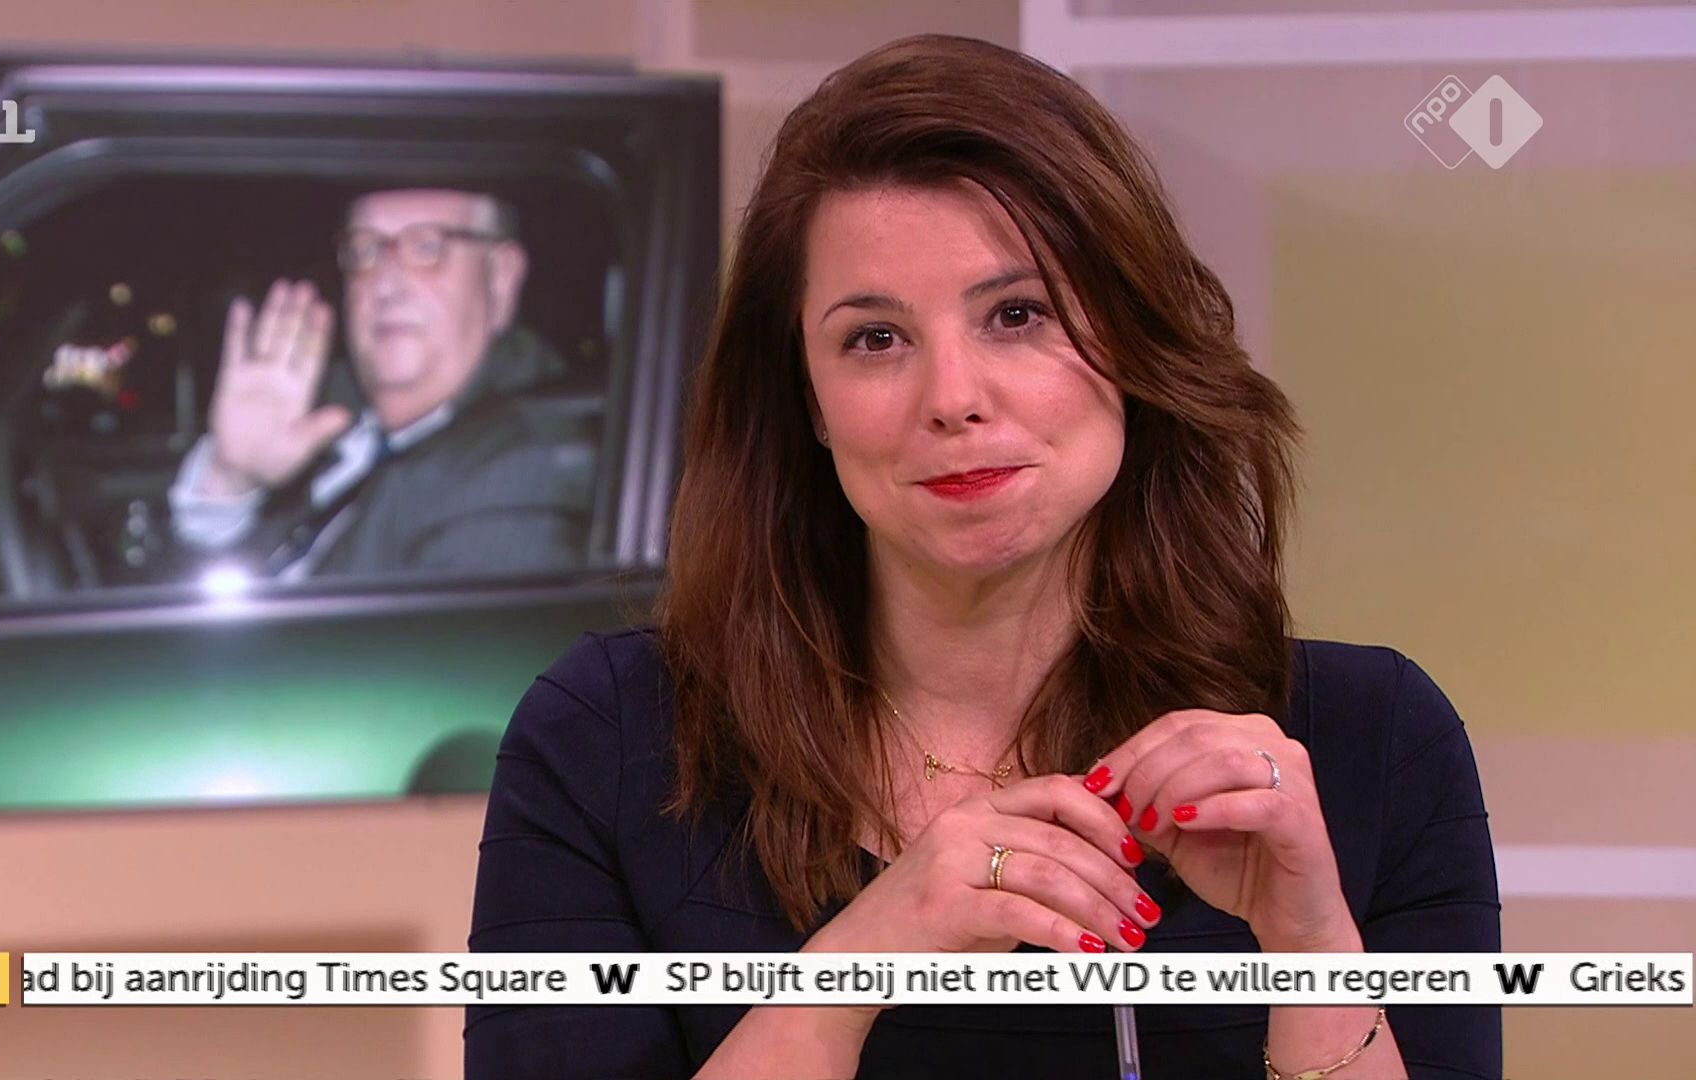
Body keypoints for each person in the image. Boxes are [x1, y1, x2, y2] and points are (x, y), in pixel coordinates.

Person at [467, 34, 1500, 1080]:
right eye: (876, 338)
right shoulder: (610, 740)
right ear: (808, 402)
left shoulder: (1374, 741)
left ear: (1133, 345)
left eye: (1017, 314)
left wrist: (1312, 949)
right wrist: (864, 955)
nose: (953, 398)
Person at [167, 188, 596, 581]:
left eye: (428, 247)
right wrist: (230, 481)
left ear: (500, 279)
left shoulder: (520, 471)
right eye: (365, 250)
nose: (385, 285)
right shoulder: (322, 409)